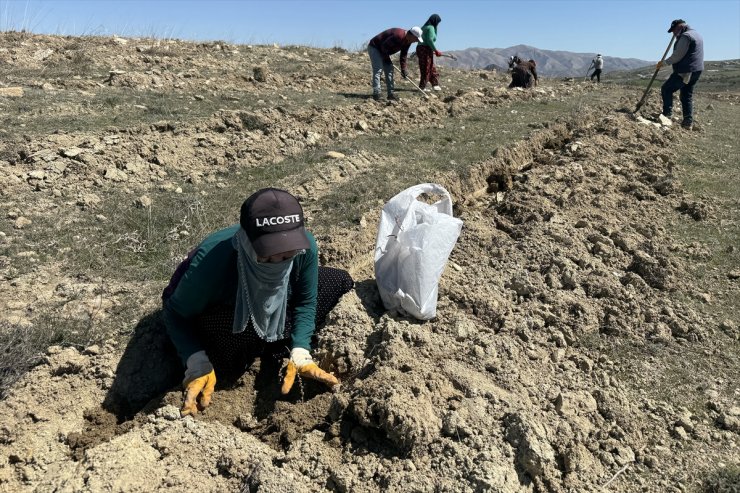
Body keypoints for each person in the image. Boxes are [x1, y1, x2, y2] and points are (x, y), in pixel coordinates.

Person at [161, 188, 354, 416]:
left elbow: (305, 301)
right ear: (246, 241)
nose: (278, 263)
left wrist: (301, 349)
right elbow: (176, 313)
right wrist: (195, 360)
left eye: (285, 255)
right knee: (238, 344)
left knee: (338, 281)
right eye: (268, 256)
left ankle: (279, 345)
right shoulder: (210, 265)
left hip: (276, 298)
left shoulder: (304, 249)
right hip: (225, 306)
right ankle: (256, 347)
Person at [657, 19, 704, 130]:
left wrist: (664, 63)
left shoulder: (686, 36)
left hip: (685, 71)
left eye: (674, 30)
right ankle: (688, 121)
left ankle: (666, 116)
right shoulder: (696, 34)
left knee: (666, 89)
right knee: (686, 94)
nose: (673, 33)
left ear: (680, 27)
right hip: (697, 70)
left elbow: (678, 55)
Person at [367, 26, 423, 101]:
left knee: (389, 70)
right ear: (411, 35)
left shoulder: (408, 41)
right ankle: (377, 94)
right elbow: (383, 47)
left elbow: (403, 54)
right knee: (378, 69)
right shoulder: (398, 36)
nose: (416, 41)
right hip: (375, 47)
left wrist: (403, 68)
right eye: (416, 39)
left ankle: (391, 94)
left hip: (384, 51)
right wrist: (387, 60)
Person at [417, 14, 443, 91]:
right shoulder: (431, 28)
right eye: (437, 22)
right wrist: (436, 50)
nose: (438, 24)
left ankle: (435, 84)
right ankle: (422, 87)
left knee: (430, 66)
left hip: (420, 48)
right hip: (425, 49)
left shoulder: (423, 27)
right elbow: (430, 40)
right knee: (426, 68)